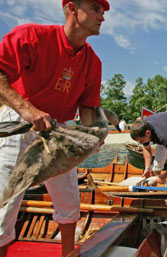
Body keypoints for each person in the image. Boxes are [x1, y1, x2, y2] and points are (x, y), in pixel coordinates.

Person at [0, 0, 110, 256]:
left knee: (69, 202)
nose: (102, 16)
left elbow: (88, 109)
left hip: (60, 132)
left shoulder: (93, 62)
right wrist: (28, 110)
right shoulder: (31, 37)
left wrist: (92, 136)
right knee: (5, 206)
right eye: (96, 9)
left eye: (103, 11)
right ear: (72, 8)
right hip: (20, 124)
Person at [130, 112, 167, 184]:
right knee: (156, 166)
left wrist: (164, 177)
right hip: (164, 129)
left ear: (148, 133)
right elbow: (146, 148)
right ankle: (153, 191)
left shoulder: (165, 136)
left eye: (141, 141)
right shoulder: (143, 128)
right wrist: (147, 168)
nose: (141, 143)